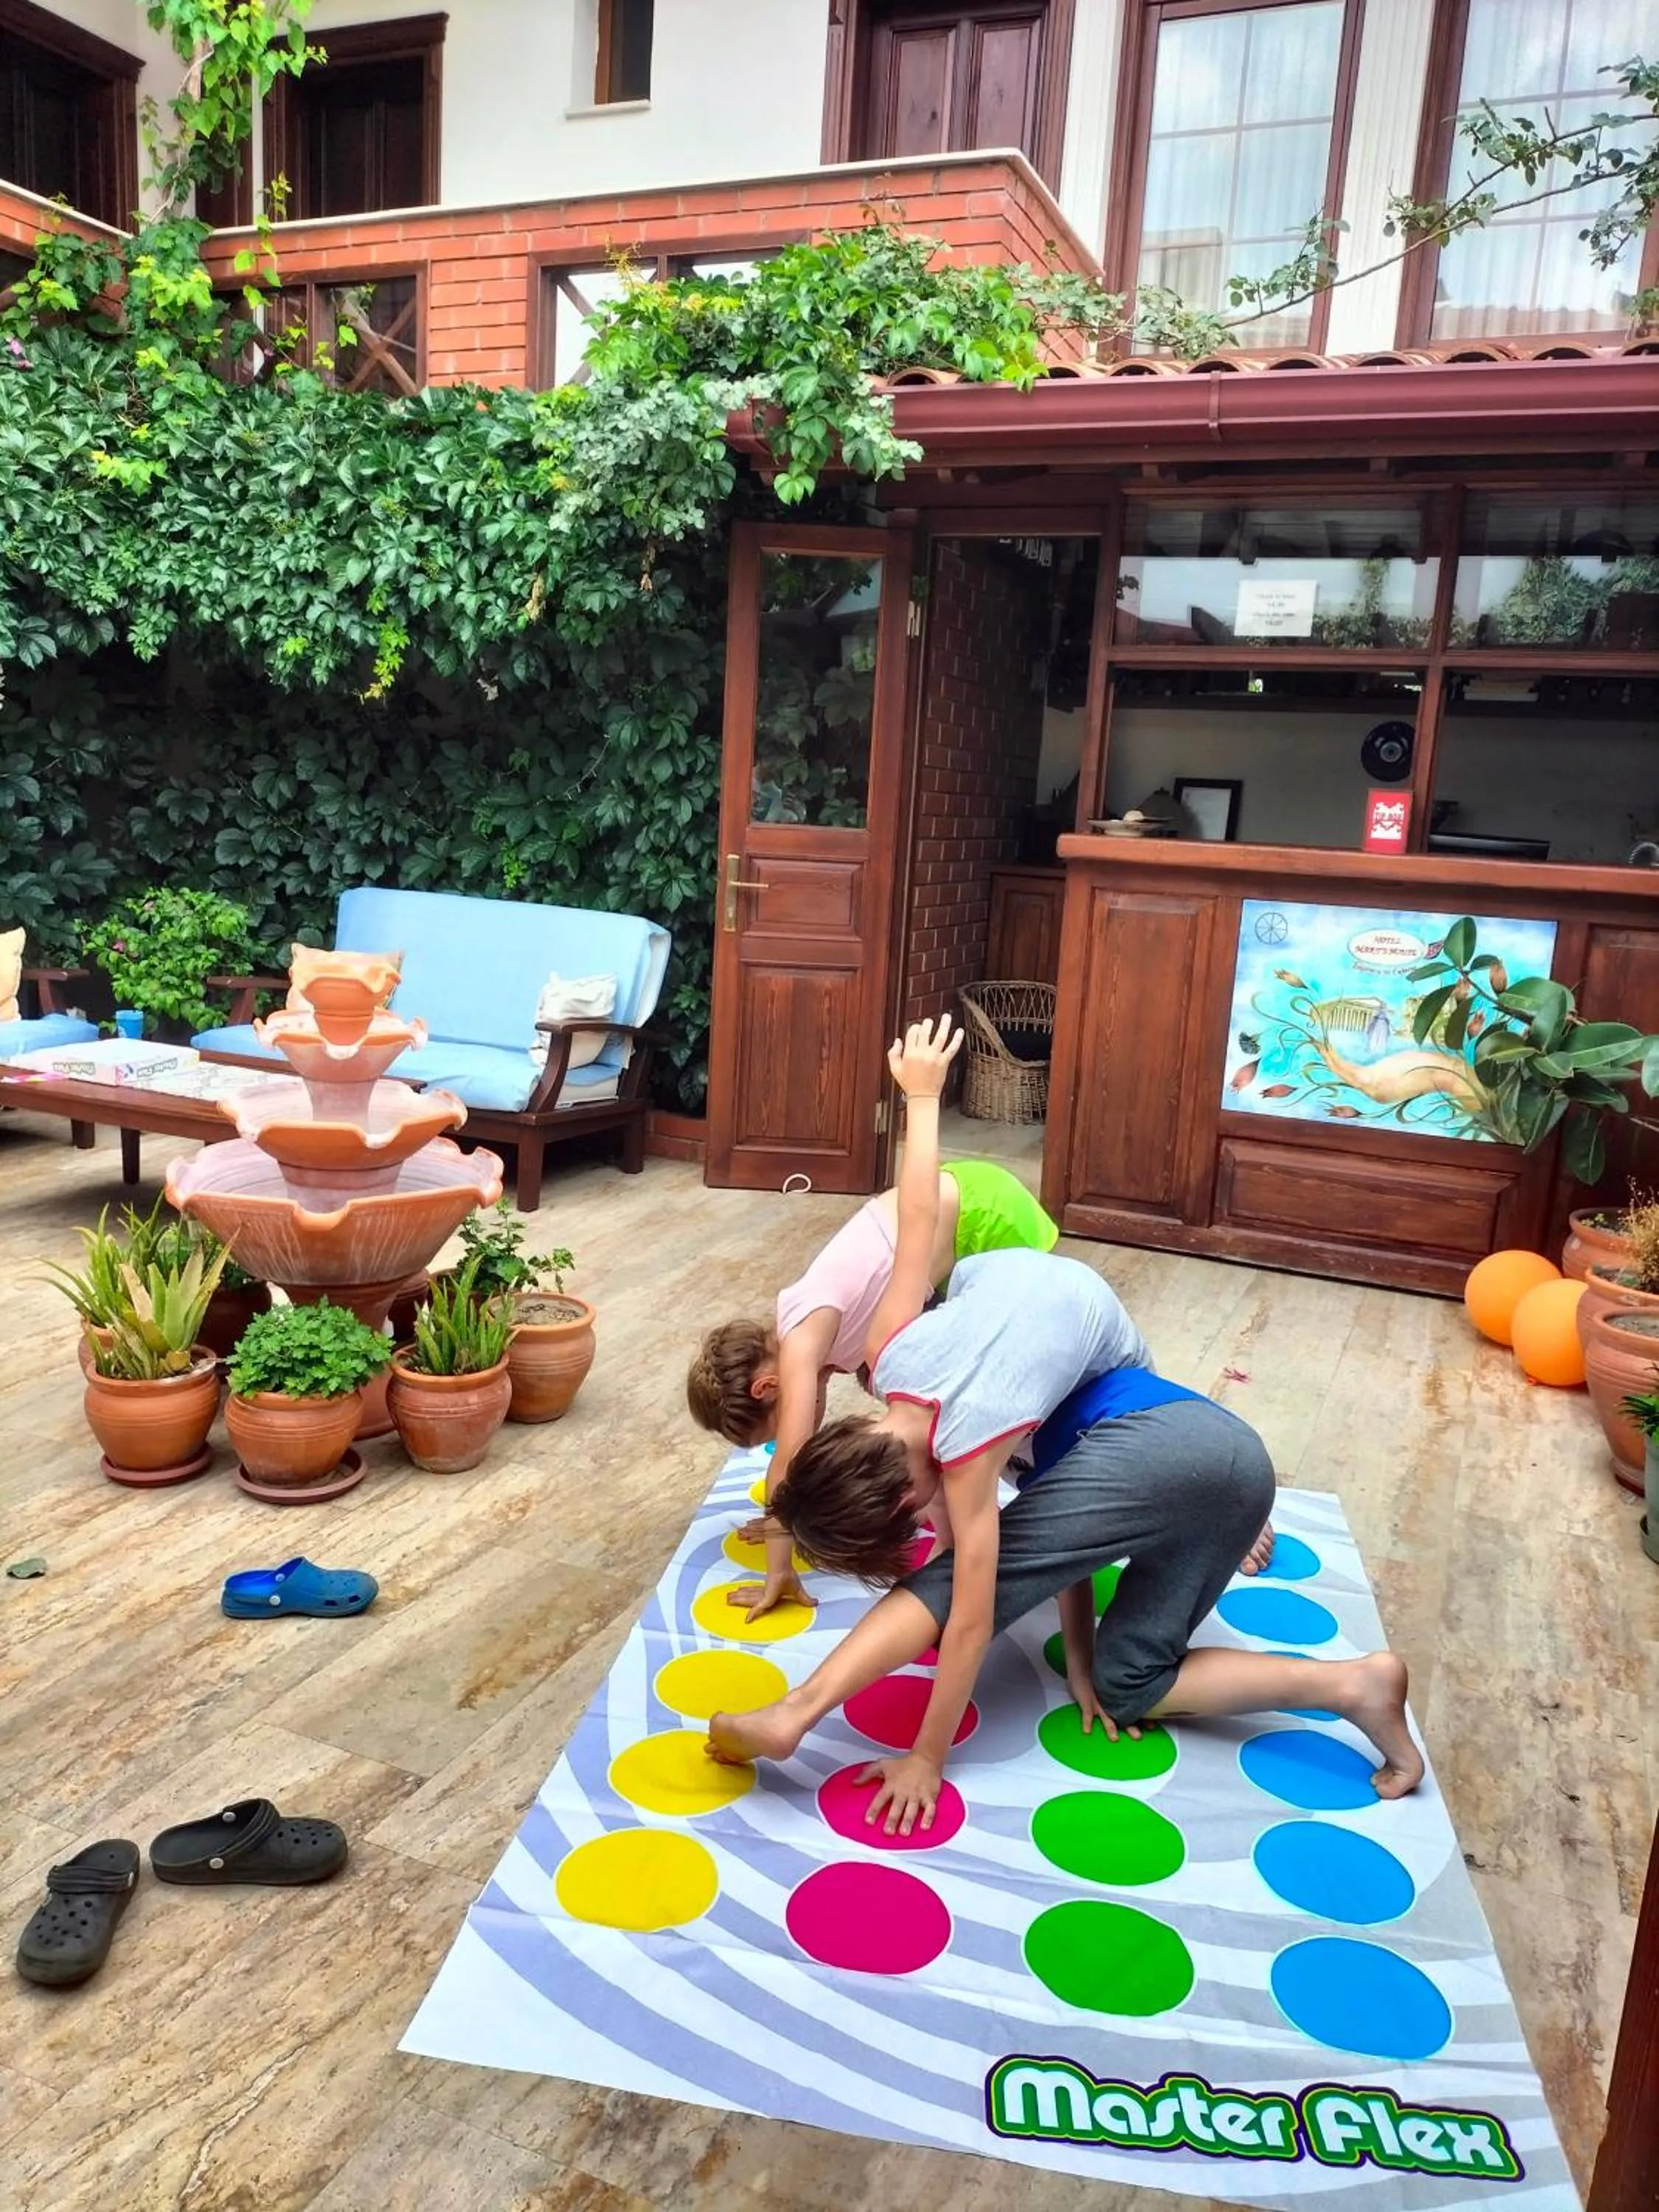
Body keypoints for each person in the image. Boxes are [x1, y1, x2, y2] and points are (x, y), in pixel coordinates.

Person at [706, 1012, 1422, 1833]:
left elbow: (971, 1618)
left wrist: (927, 1757)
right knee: (1128, 1684)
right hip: (1210, 1466)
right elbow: (918, 1216)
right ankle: (1352, 1684)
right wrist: (922, 1098)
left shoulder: (971, 1457)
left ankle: (798, 1711)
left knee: (964, 1579)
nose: (932, 1518)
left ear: (905, 1499)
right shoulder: (891, 1351)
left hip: (1179, 1447)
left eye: (916, 1517)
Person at [686, 1148, 1059, 1620]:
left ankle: (987, 1543)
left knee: (984, 1381)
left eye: (776, 1428)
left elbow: (787, 1464)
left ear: (766, 1388)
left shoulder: (801, 1342)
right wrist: (789, 1524)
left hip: (984, 1214)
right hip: (961, 1203)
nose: (796, 1427)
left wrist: (778, 1568)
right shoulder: (813, 1345)